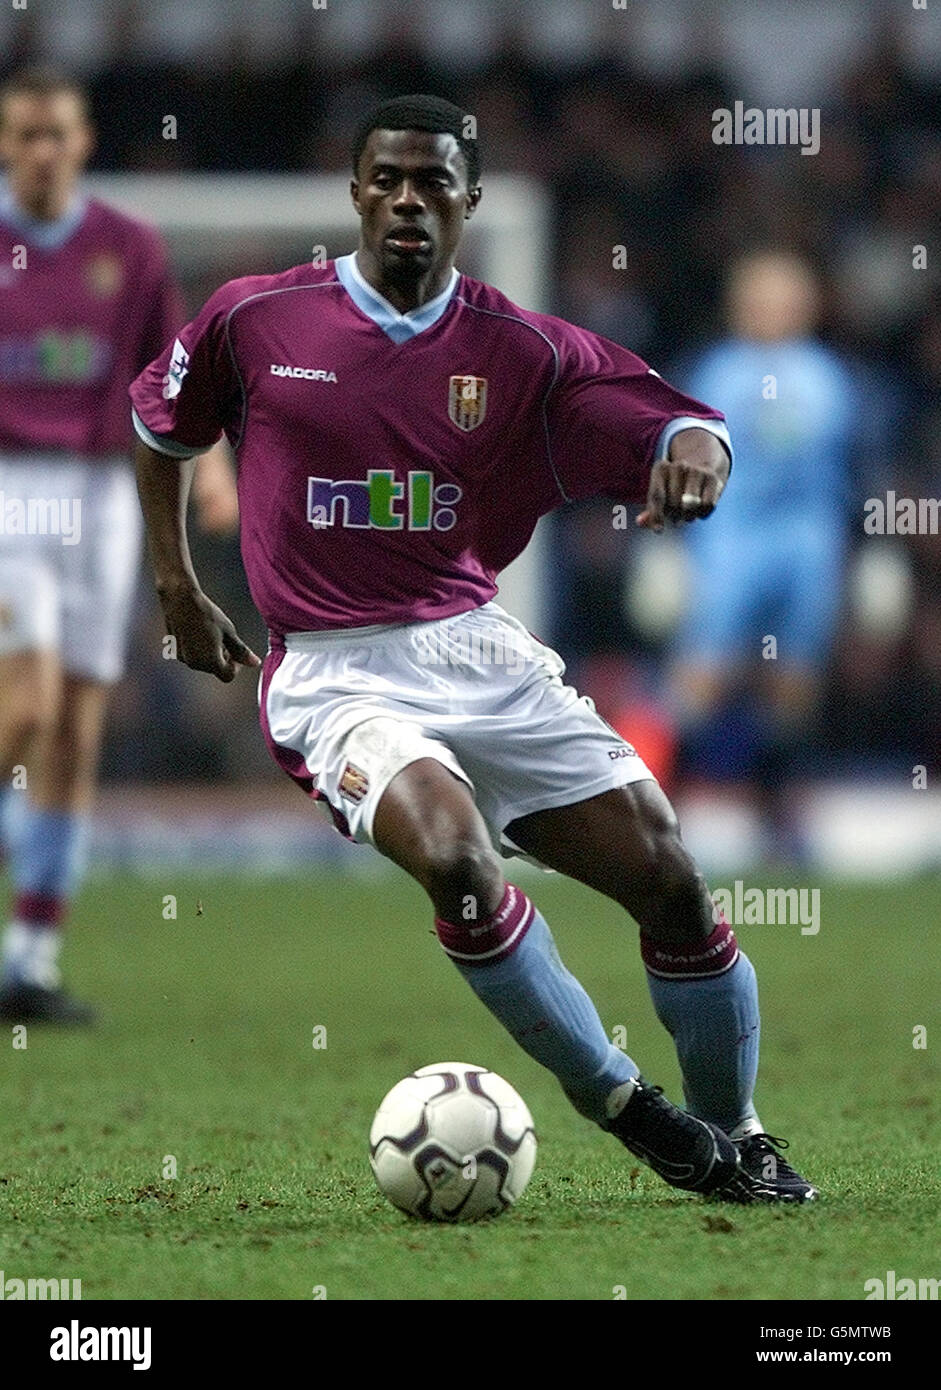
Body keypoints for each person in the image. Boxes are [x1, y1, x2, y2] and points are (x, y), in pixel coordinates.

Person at [131, 94, 816, 1203]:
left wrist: (698, 454)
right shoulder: (256, 319)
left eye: (434, 182)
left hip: (472, 650)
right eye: (388, 179)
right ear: (355, 192)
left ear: (470, 201)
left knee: (674, 884)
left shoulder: (521, 348)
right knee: (455, 859)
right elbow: (162, 425)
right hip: (334, 674)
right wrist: (175, 583)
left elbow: (675, 417)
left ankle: (735, 1130)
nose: (409, 199)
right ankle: (626, 1105)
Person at [0, 67, 237, 1024]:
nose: (40, 151)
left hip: (104, 496)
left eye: (55, 133)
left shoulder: (128, 249)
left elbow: (169, 376)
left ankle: (33, 958)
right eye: (22, 135)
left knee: (75, 731)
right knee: (26, 702)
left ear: (83, 140)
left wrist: (210, 465)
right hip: (13, 488)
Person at [671, 251, 856, 851]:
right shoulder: (718, 371)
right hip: (732, 534)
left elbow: (829, 453)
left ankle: (781, 817)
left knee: (793, 680)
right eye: (761, 298)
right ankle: (659, 810)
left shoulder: (824, 374)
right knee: (705, 669)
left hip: (805, 537)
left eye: (785, 299)